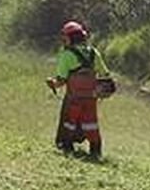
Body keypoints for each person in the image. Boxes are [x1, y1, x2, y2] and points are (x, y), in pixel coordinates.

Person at [46, 21, 112, 160]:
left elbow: (61, 80)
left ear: (70, 38)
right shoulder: (94, 53)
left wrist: (52, 83)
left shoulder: (67, 55)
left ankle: (68, 147)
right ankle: (95, 150)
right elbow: (105, 75)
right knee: (91, 123)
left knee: (69, 122)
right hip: (91, 98)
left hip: (74, 98)